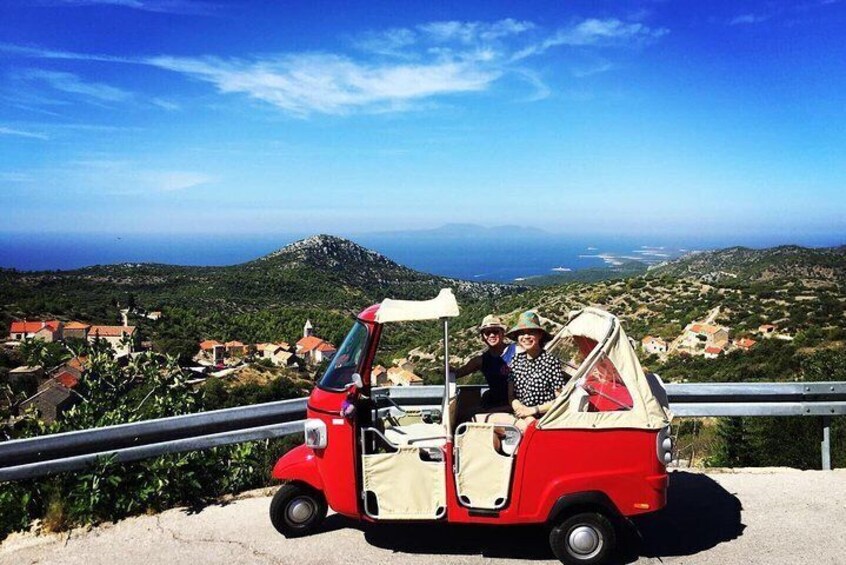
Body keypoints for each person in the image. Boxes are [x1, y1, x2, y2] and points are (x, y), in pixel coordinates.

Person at [505, 311, 567, 431]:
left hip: (543, 420)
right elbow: (511, 396)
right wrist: (523, 412)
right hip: (521, 416)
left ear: (540, 335)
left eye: (531, 332)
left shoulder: (550, 361)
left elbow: (559, 399)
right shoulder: (515, 361)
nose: (526, 336)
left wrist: (532, 411)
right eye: (522, 333)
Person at [454, 314, 516, 410]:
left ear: (502, 333)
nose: (492, 335)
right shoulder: (481, 360)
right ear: (483, 337)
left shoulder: (516, 351)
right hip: (496, 405)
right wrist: (445, 370)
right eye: (487, 333)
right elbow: (458, 373)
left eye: (495, 331)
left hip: (517, 404)